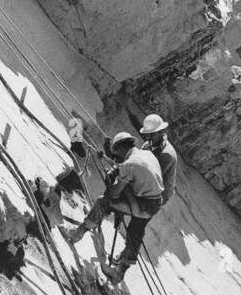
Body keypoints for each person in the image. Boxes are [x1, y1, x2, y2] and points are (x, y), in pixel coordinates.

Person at [64, 132, 164, 282]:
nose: (117, 156)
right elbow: (133, 170)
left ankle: (78, 233)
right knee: (134, 234)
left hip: (143, 205)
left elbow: (115, 193)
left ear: (123, 149)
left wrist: (113, 188)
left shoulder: (129, 164)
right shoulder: (146, 154)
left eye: (117, 153)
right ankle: (119, 272)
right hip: (154, 201)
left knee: (103, 202)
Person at [140, 114, 177, 204]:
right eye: (147, 134)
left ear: (161, 132)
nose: (148, 138)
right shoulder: (147, 144)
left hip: (159, 194)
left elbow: (153, 177)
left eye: (152, 134)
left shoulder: (167, 154)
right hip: (149, 183)